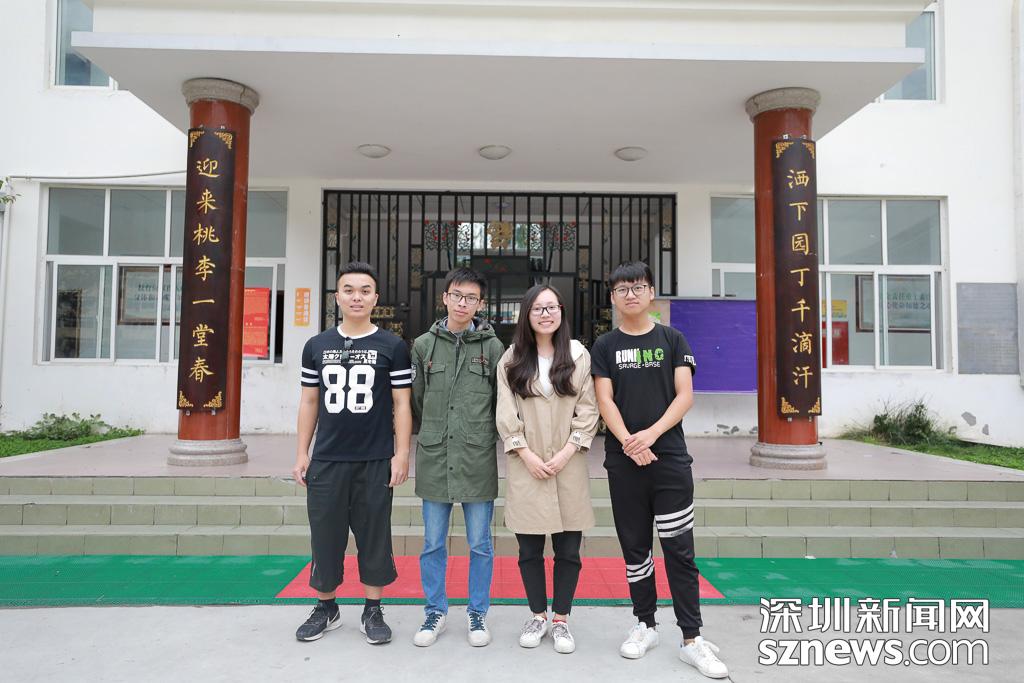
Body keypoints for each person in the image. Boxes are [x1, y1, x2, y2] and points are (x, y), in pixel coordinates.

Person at [590, 261, 728, 679]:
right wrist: (630, 443)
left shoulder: (672, 339)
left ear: (651, 293)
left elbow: (685, 395)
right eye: (622, 289)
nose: (630, 294)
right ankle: (645, 624)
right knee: (636, 551)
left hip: (669, 462)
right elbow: (604, 400)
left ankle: (691, 638)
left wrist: (649, 435)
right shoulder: (605, 345)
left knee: (679, 551)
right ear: (612, 297)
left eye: (638, 287)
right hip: (624, 464)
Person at [292, 261, 412, 646]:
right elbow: (310, 401)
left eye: (364, 291)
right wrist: (302, 452)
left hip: (375, 458)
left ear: (376, 298)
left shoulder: (393, 346)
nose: (356, 297)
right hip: (327, 459)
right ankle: (326, 607)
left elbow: (402, 403)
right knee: (325, 535)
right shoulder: (316, 345)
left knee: (374, 535)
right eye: (348, 290)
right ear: (337, 297)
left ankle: (372, 609)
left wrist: (401, 453)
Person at [496, 284, 599, 654]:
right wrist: (526, 454)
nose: (545, 314)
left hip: (568, 464)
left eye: (552, 307)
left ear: (561, 311)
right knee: (529, 549)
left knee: (568, 550)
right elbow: (505, 411)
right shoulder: (511, 359)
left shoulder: (578, 355)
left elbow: (588, 408)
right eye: (538, 308)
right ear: (526, 314)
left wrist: (568, 451)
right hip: (527, 464)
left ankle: (561, 619)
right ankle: (537, 615)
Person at [409, 267, 505, 647]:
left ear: (480, 304)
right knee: (433, 543)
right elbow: (417, 400)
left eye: (471, 298)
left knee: (480, 544)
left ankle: (477, 612)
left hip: (476, 459)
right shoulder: (423, 346)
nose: (463, 303)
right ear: (445, 298)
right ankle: (435, 610)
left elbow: (501, 404)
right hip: (435, 457)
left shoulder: (493, 349)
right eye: (457, 295)